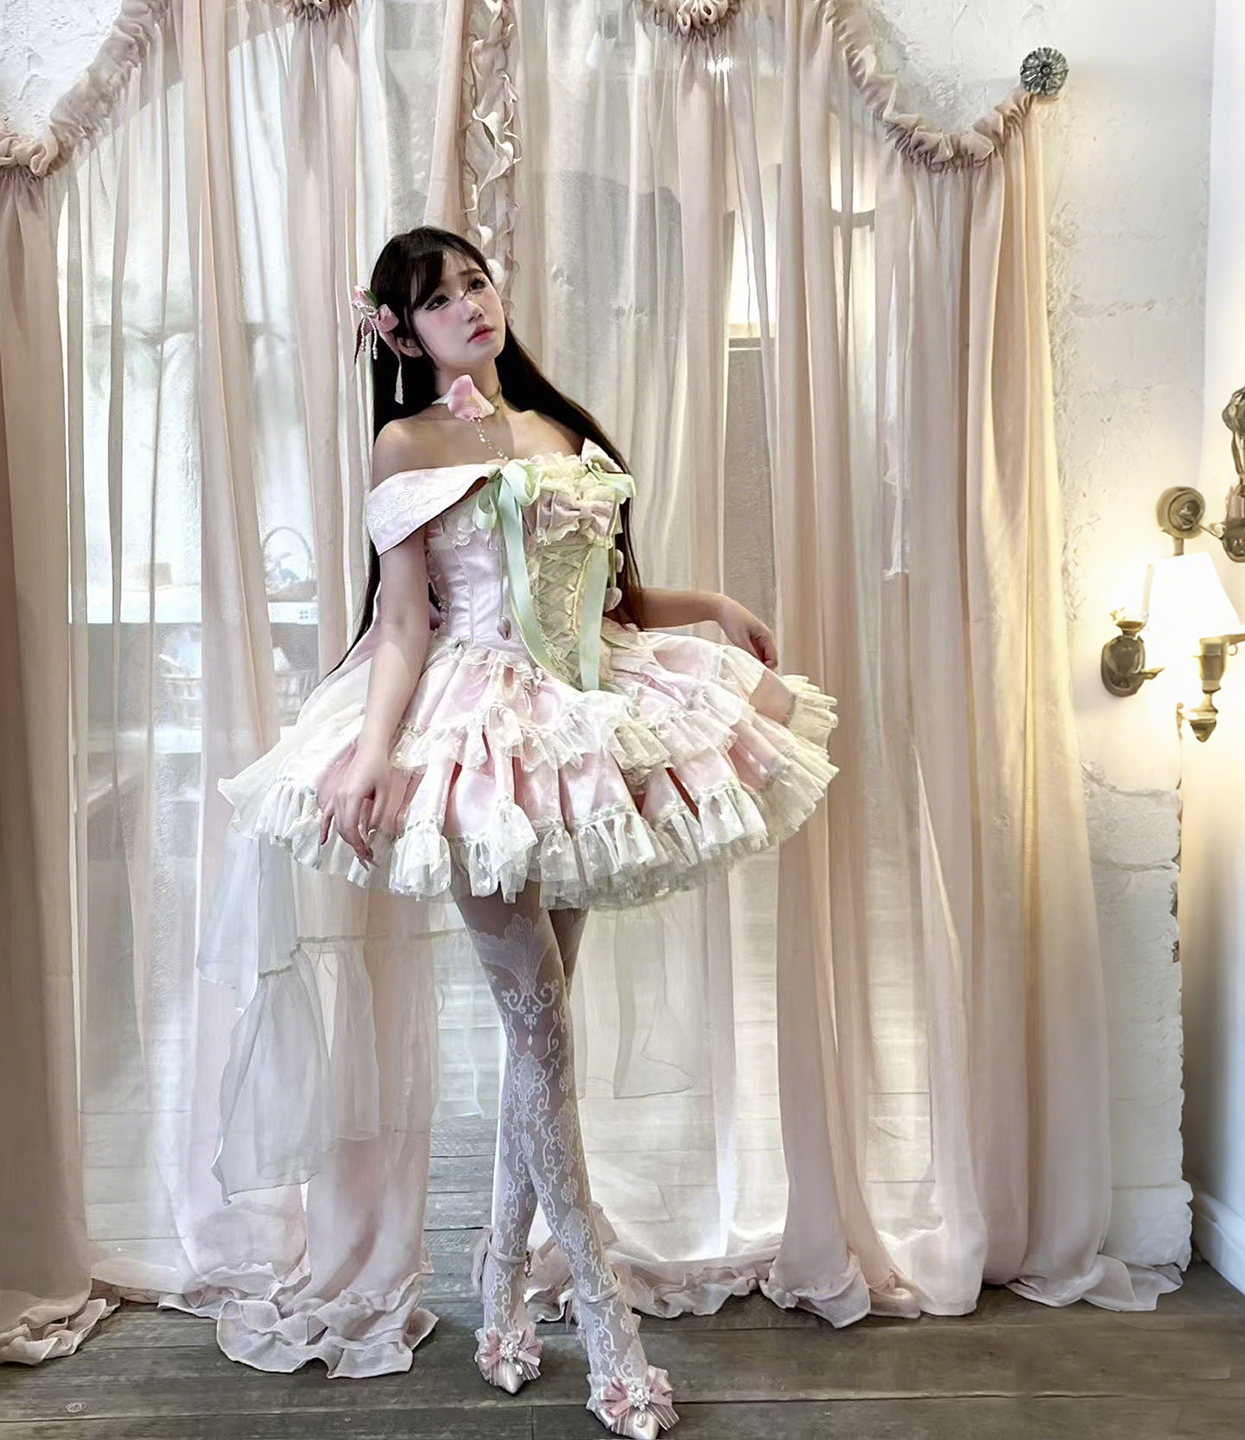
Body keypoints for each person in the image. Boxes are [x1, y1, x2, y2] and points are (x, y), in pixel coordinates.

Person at [213, 226, 839, 1438]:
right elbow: (406, 622)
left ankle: (500, 1285)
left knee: (537, 1034)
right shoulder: (407, 443)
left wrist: (713, 605)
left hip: (588, 729)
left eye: (476, 281)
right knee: (541, 1030)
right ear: (400, 332)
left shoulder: (560, 427)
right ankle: (605, 1323)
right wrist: (374, 750)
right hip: (479, 731)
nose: (471, 305)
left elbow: (613, 603)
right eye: (438, 298)